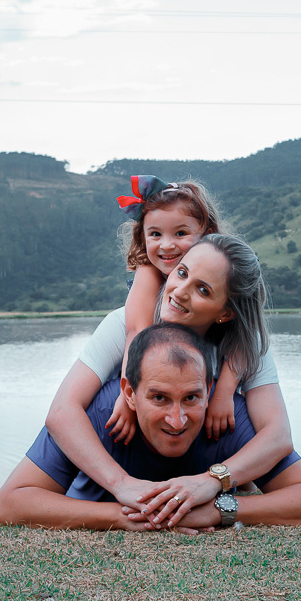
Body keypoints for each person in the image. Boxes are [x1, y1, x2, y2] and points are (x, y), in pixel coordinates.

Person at [45, 232, 295, 528]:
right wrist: (121, 483)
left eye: (202, 289)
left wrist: (212, 481)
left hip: (198, 464)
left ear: (226, 313)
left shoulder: (242, 347)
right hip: (122, 459)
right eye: (181, 273)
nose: (179, 292)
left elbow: (277, 435)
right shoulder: (124, 324)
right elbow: (62, 412)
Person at [0, 323, 301, 532]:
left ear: (209, 387)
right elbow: (8, 505)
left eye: (190, 398)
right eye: (158, 398)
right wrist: (119, 516)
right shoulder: (98, 414)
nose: (177, 420)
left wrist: (217, 510)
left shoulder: (227, 417)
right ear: (130, 392)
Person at [107, 175, 241, 444]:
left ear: (207, 233)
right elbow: (138, 332)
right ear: (142, 236)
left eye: (180, 233)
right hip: (148, 374)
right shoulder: (148, 272)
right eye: (155, 234)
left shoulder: (224, 277)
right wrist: (127, 396)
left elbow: (245, 336)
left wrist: (224, 394)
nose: (167, 245)